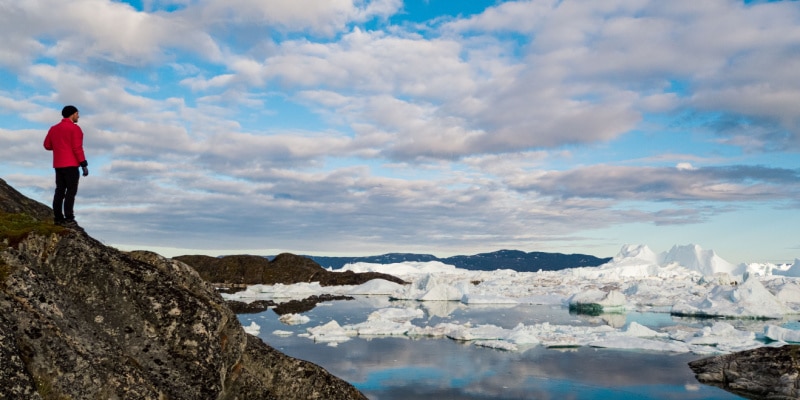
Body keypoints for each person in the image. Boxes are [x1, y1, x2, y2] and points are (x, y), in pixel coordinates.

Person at [44, 105, 89, 227]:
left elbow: (47, 145)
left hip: (58, 165)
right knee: (71, 191)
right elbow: (77, 148)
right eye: (77, 114)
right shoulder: (75, 129)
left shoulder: (54, 129)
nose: (78, 116)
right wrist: (83, 164)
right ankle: (69, 218)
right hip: (71, 165)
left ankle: (58, 218)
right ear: (73, 114)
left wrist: (59, 147)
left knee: (59, 191)